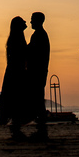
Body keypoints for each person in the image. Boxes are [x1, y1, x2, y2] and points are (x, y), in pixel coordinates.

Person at [0, 16, 28, 136]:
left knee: (14, 98)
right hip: (17, 71)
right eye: (23, 22)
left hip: (13, 71)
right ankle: (16, 125)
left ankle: (15, 125)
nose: (25, 23)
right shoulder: (17, 39)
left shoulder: (14, 39)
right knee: (17, 97)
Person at [26, 11, 50, 141]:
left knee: (38, 98)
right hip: (39, 71)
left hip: (37, 72)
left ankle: (41, 129)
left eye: (32, 19)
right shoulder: (40, 35)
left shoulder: (39, 35)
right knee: (38, 98)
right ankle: (41, 127)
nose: (30, 22)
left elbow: (31, 52)